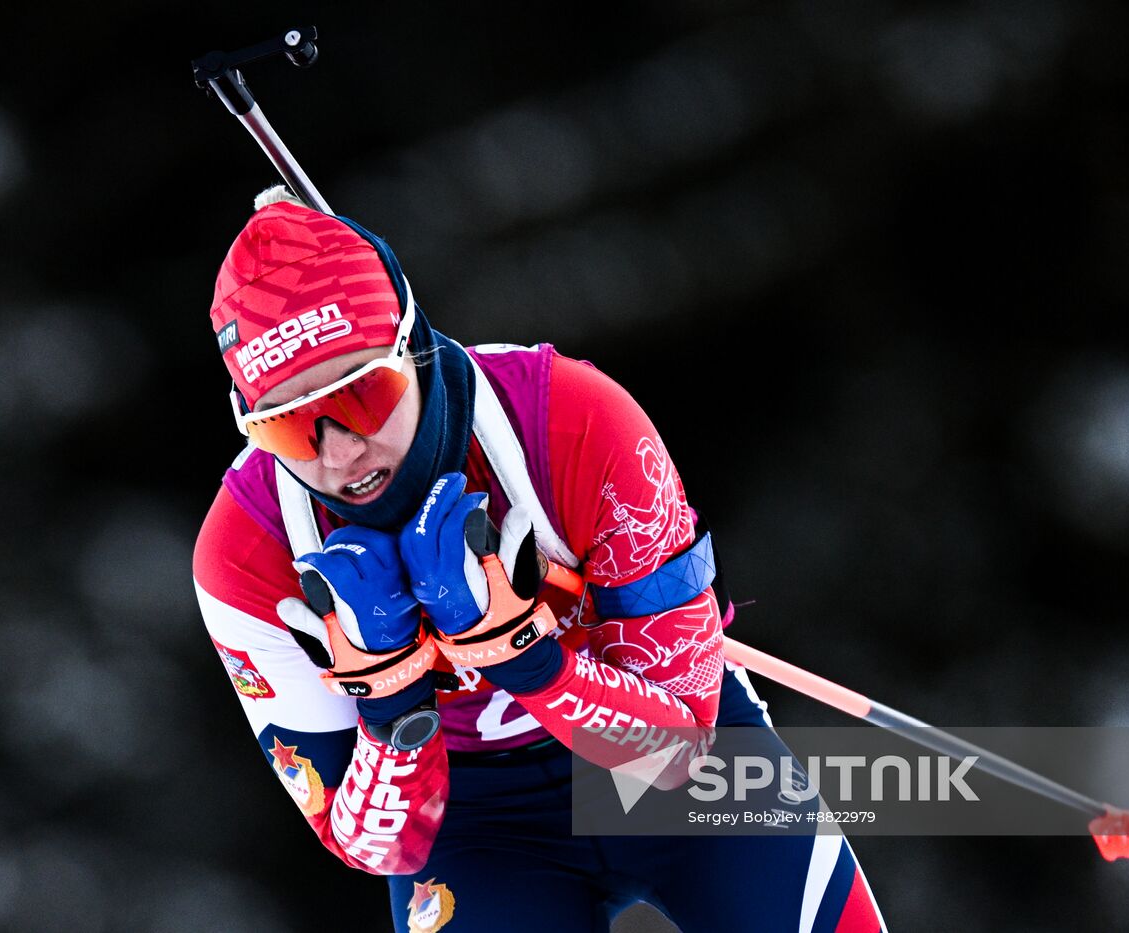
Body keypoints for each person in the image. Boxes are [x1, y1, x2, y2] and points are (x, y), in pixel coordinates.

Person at [192, 187, 886, 932]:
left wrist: (523, 656)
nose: (339, 451)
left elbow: (680, 753)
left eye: (364, 394)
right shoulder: (246, 554)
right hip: (475, 826)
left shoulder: (575, 423)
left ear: (411, 345)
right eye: (288, 425)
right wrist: (391, 695)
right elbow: (374, 845)